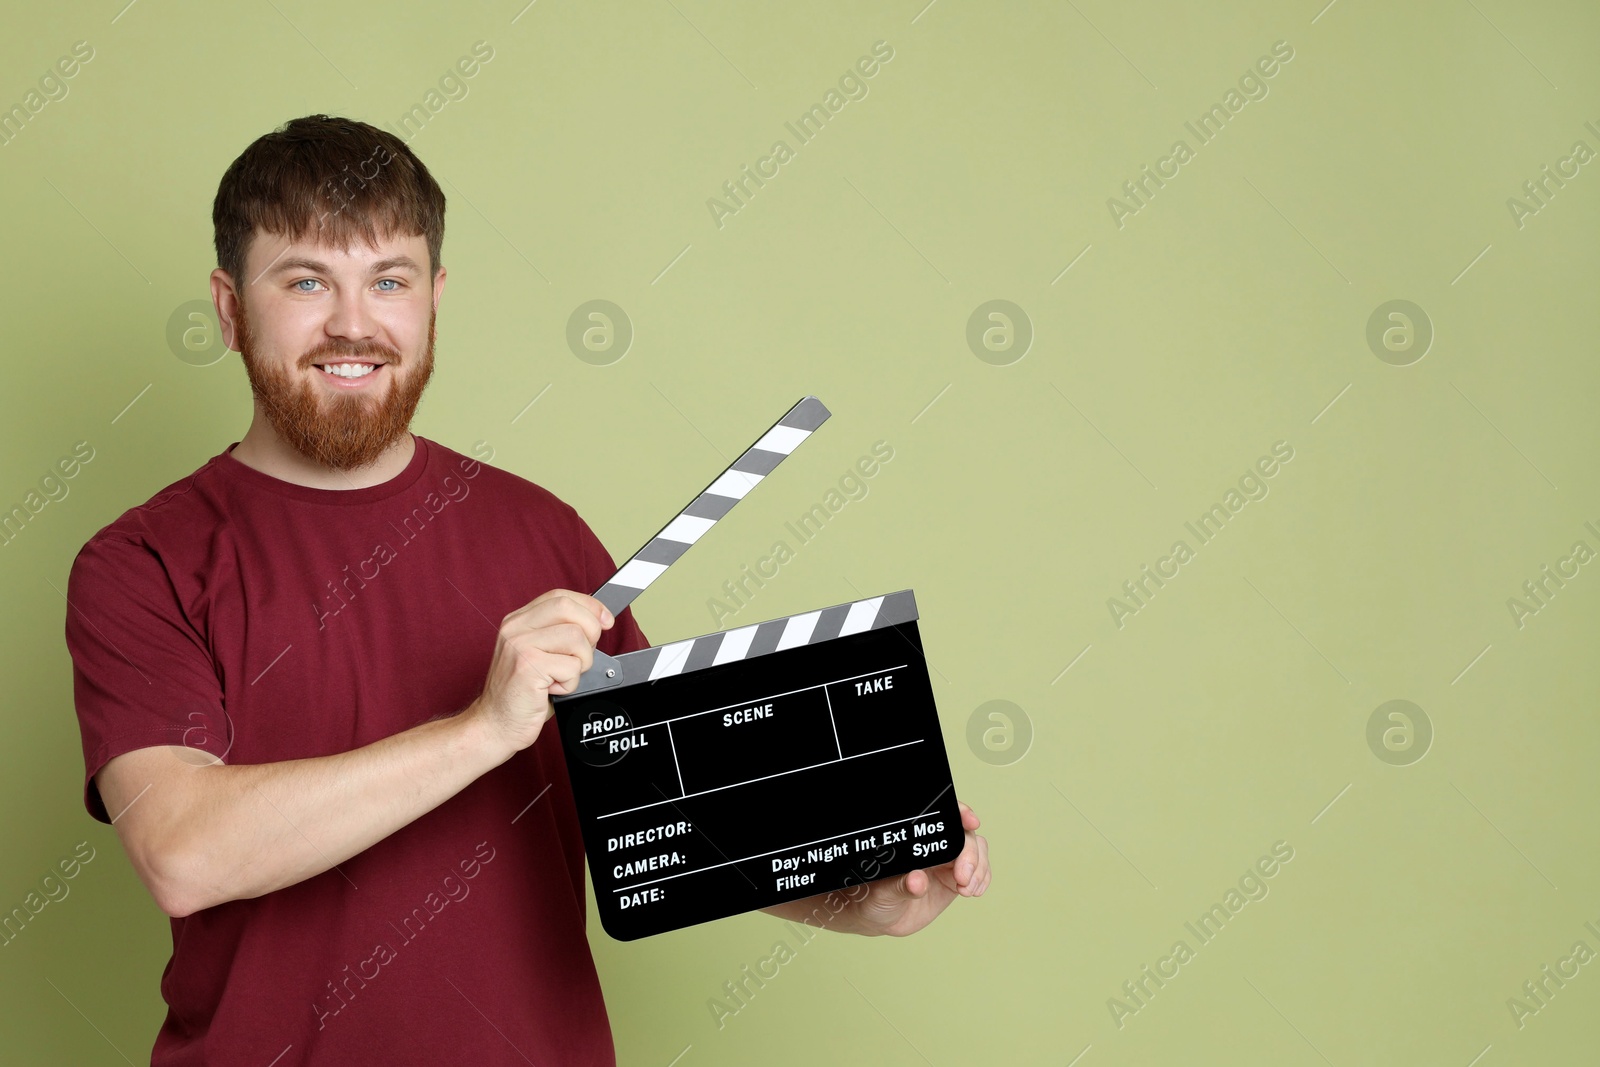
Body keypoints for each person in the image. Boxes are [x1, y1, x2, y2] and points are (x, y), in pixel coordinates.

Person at [64, 114, 991, 1065]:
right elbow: (182, 852)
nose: (353, 323)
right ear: (228, 307)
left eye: (390, 280)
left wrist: (868, 890)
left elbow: (676, 831)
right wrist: (481, 729)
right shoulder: (143, 561)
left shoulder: (543, 536)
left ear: (434, 298)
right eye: (306, 281)